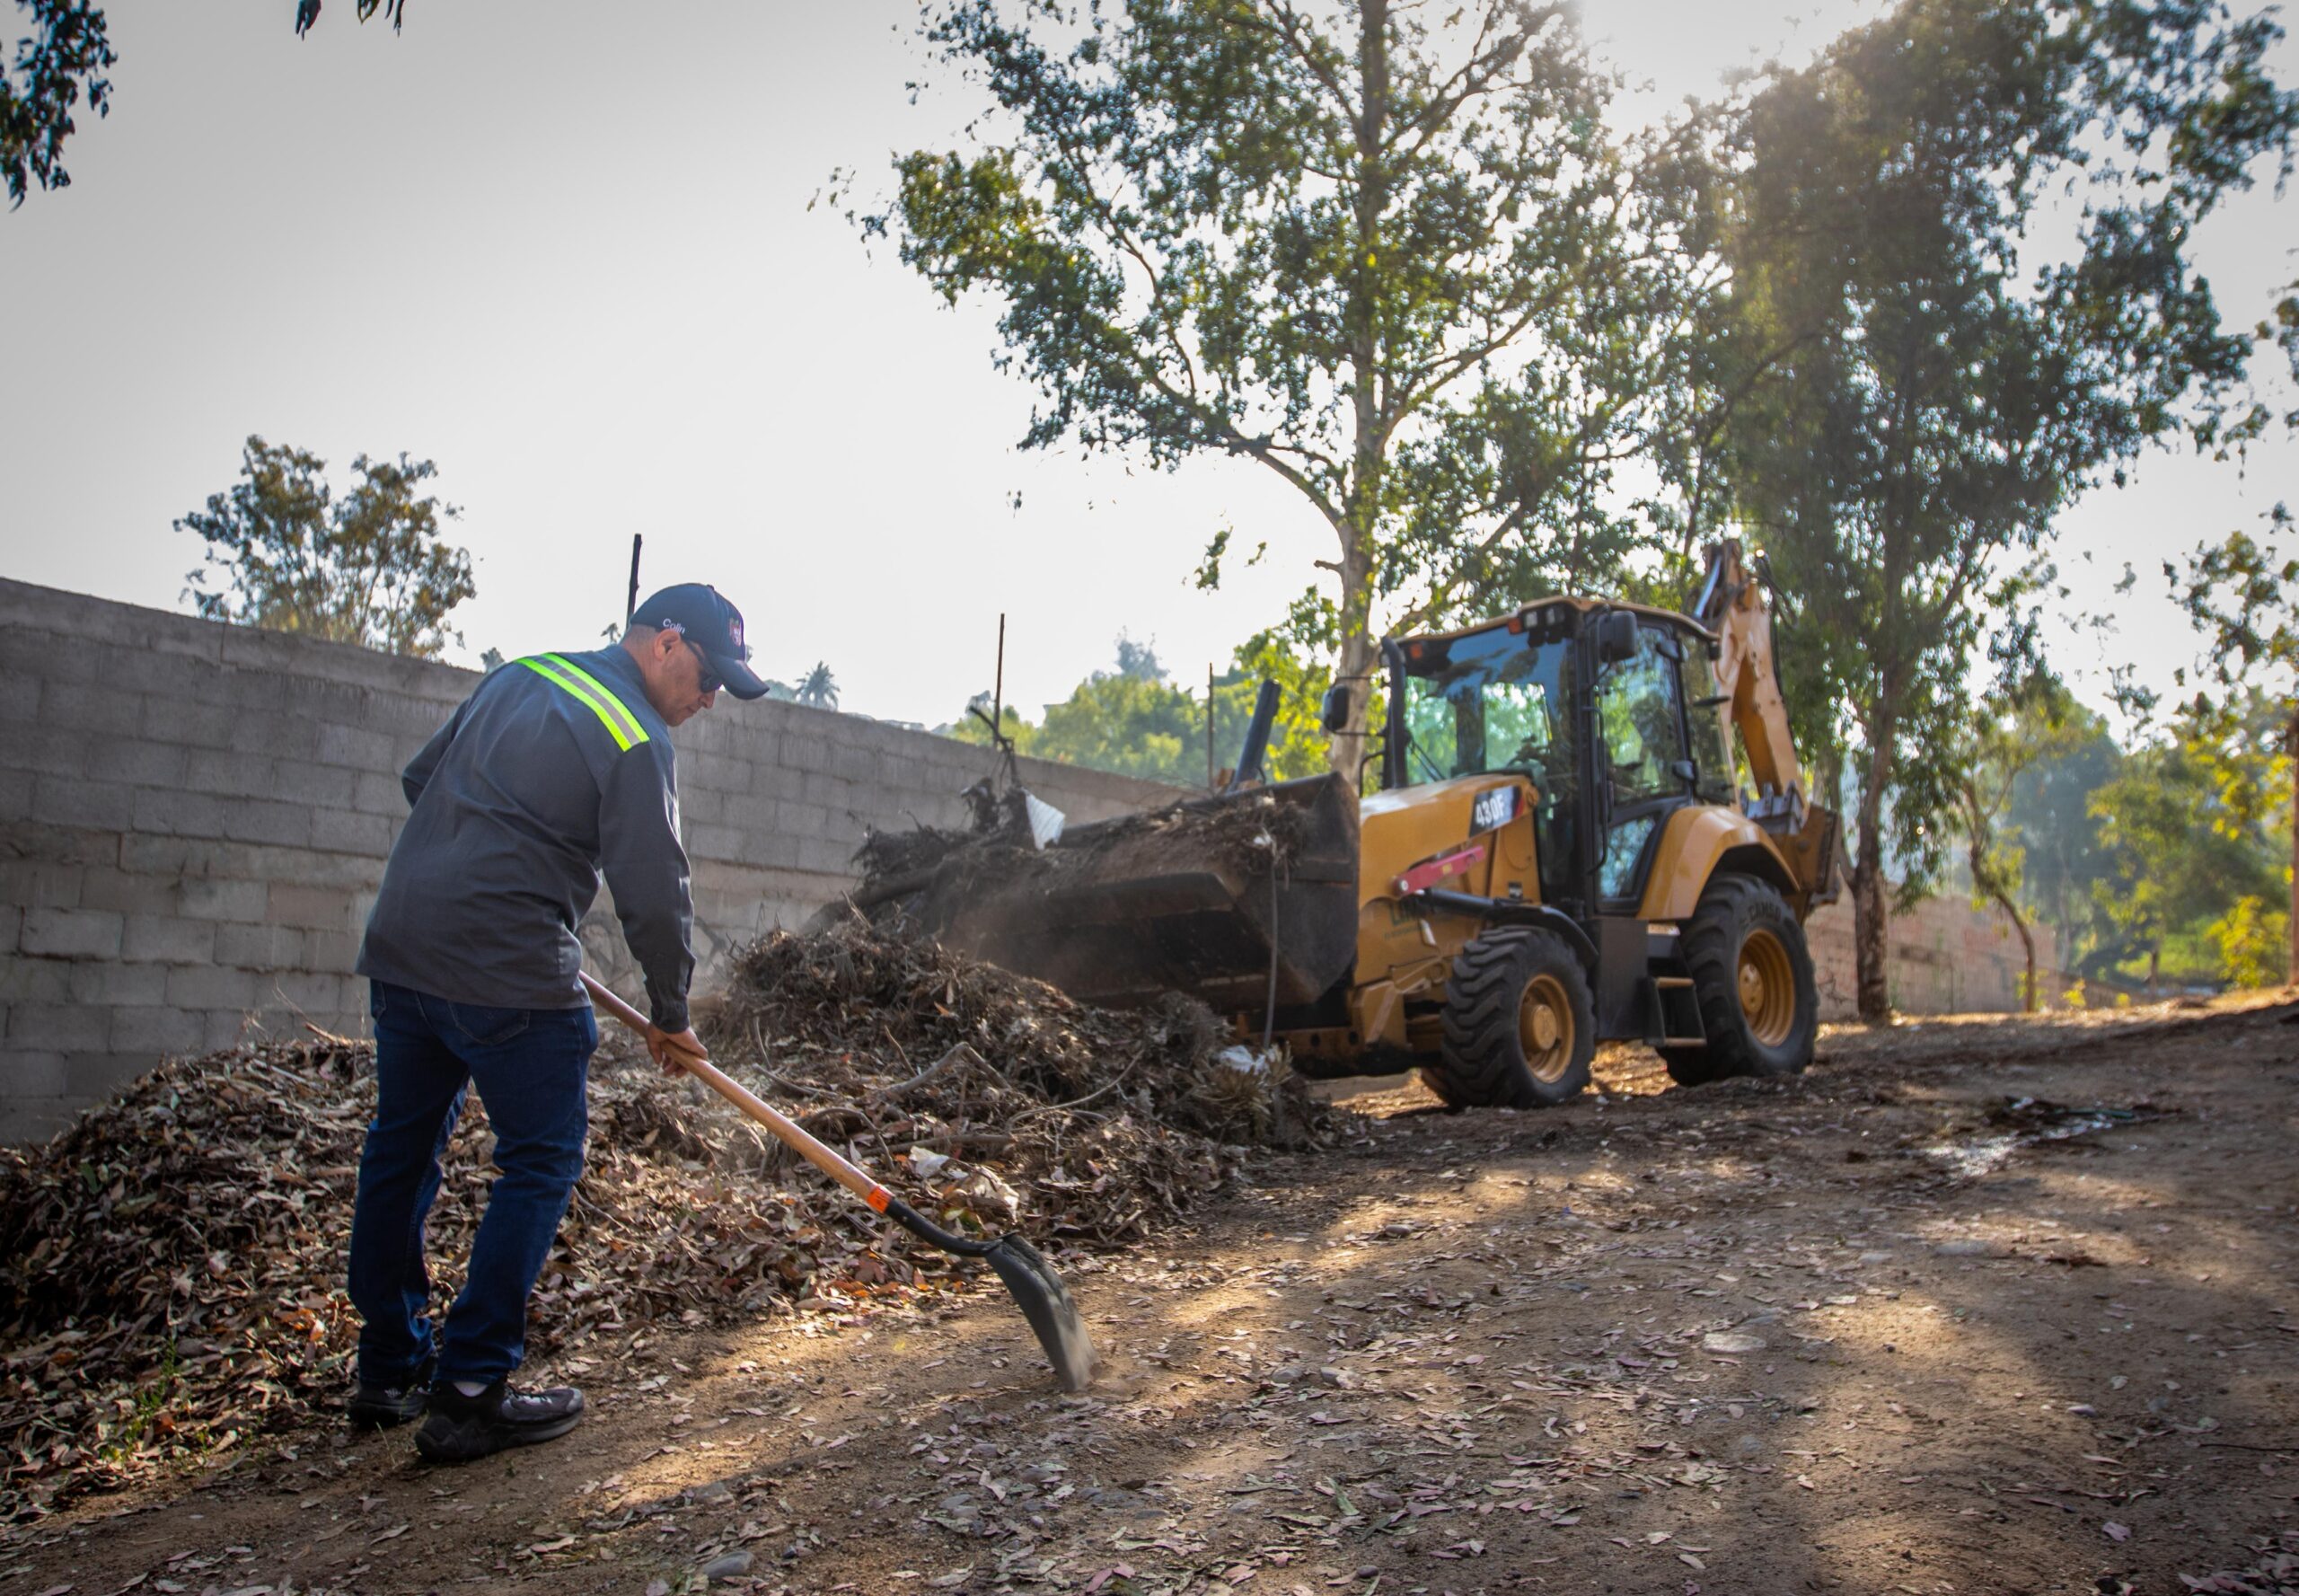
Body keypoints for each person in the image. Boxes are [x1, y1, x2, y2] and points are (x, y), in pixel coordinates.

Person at [345, 583, 770, 1463]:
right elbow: (654, 894)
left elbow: (421, 778)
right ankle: (468, 1390)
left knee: (400, 1147)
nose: (710, 696)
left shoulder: (521, 676)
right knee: (540, 1159)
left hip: (402, 944)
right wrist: (670, 1012)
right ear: (663, 643)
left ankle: (388, 1370)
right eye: (707, 674)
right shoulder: (634, 735)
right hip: (506, 970)